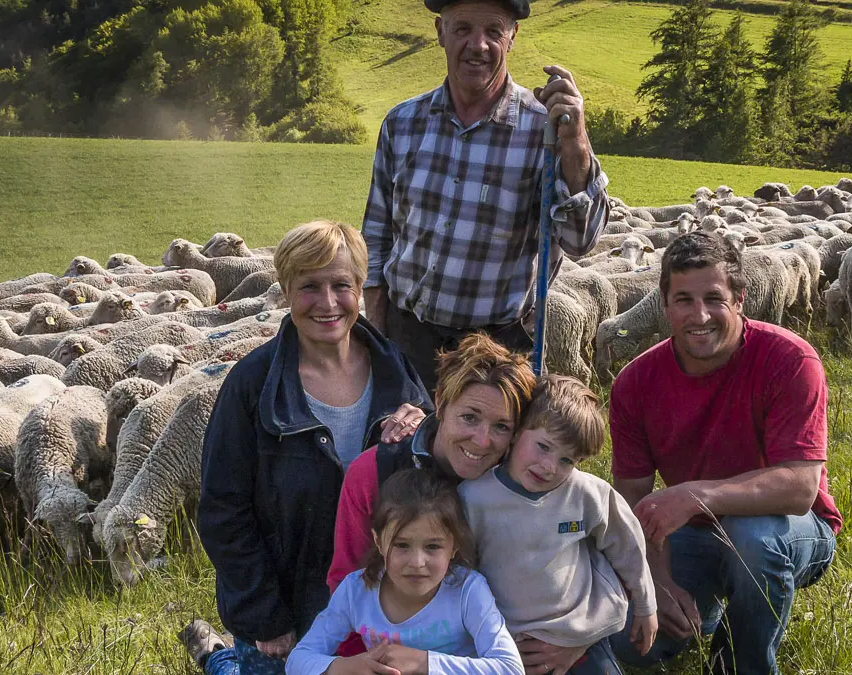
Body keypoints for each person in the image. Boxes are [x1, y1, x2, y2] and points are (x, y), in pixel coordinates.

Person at [179, 220, 434, 674]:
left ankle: (213, 657)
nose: (328, 302)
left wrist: (426, 431)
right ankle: (218, 658)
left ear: (360, 288)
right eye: (309, 286)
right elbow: (223, 510)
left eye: (341, 285)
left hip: (380, 612)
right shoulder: (252, 388)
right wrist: (266, 615)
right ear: (285, 290)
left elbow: (433, 488)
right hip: (287, 616)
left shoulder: (397, 373)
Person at [606, 231, 843, 675]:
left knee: (752, 541)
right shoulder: (635, 383)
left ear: (740, 299)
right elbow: (632, 499)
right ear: (664, 303)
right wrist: (656, 578)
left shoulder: (789, 360)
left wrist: (697, 496)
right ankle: (706, 611)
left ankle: (739, 664)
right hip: (691, 533)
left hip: (791, 529)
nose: (699, 316)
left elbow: (799, 488)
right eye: (684, 300)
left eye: (713, 298)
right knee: (628, 641)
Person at [361, 0, 611, 392]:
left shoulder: (544, 131)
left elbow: (581, 241)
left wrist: (576, 144)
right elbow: (376, 234)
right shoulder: (402, 123)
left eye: (493, 31)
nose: (478, 45)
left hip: (498, 352)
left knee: (487, 454)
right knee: (399, 450)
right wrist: (375, 333)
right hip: (407, 340)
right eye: (463, 29)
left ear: (512, 37)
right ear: (440, 32)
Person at [458, 374, 659, 675]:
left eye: (567, 460)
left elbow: (627, 545)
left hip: (580, 633)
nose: (550, 467)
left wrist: (645, 605)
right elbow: (463, 571)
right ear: (516, 433)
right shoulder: (475, 497)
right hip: (507, 639)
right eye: (543, 446)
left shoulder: (587, 494)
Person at [326, 331, 537, 593]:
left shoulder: (526, 478)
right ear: (440, 404)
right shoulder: (374, 472)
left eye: (502, 427)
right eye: (469, 417)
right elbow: (347, 582)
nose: (482, 441)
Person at [286, 468, 524, 675]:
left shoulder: (467, 591)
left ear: (454, 546)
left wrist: (424, 662)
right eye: (401, 545)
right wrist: (341, 668)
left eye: (433, 547)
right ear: (378, 542)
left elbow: (510, 668)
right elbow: (298, 660)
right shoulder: (355, 590)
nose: (417, 562)